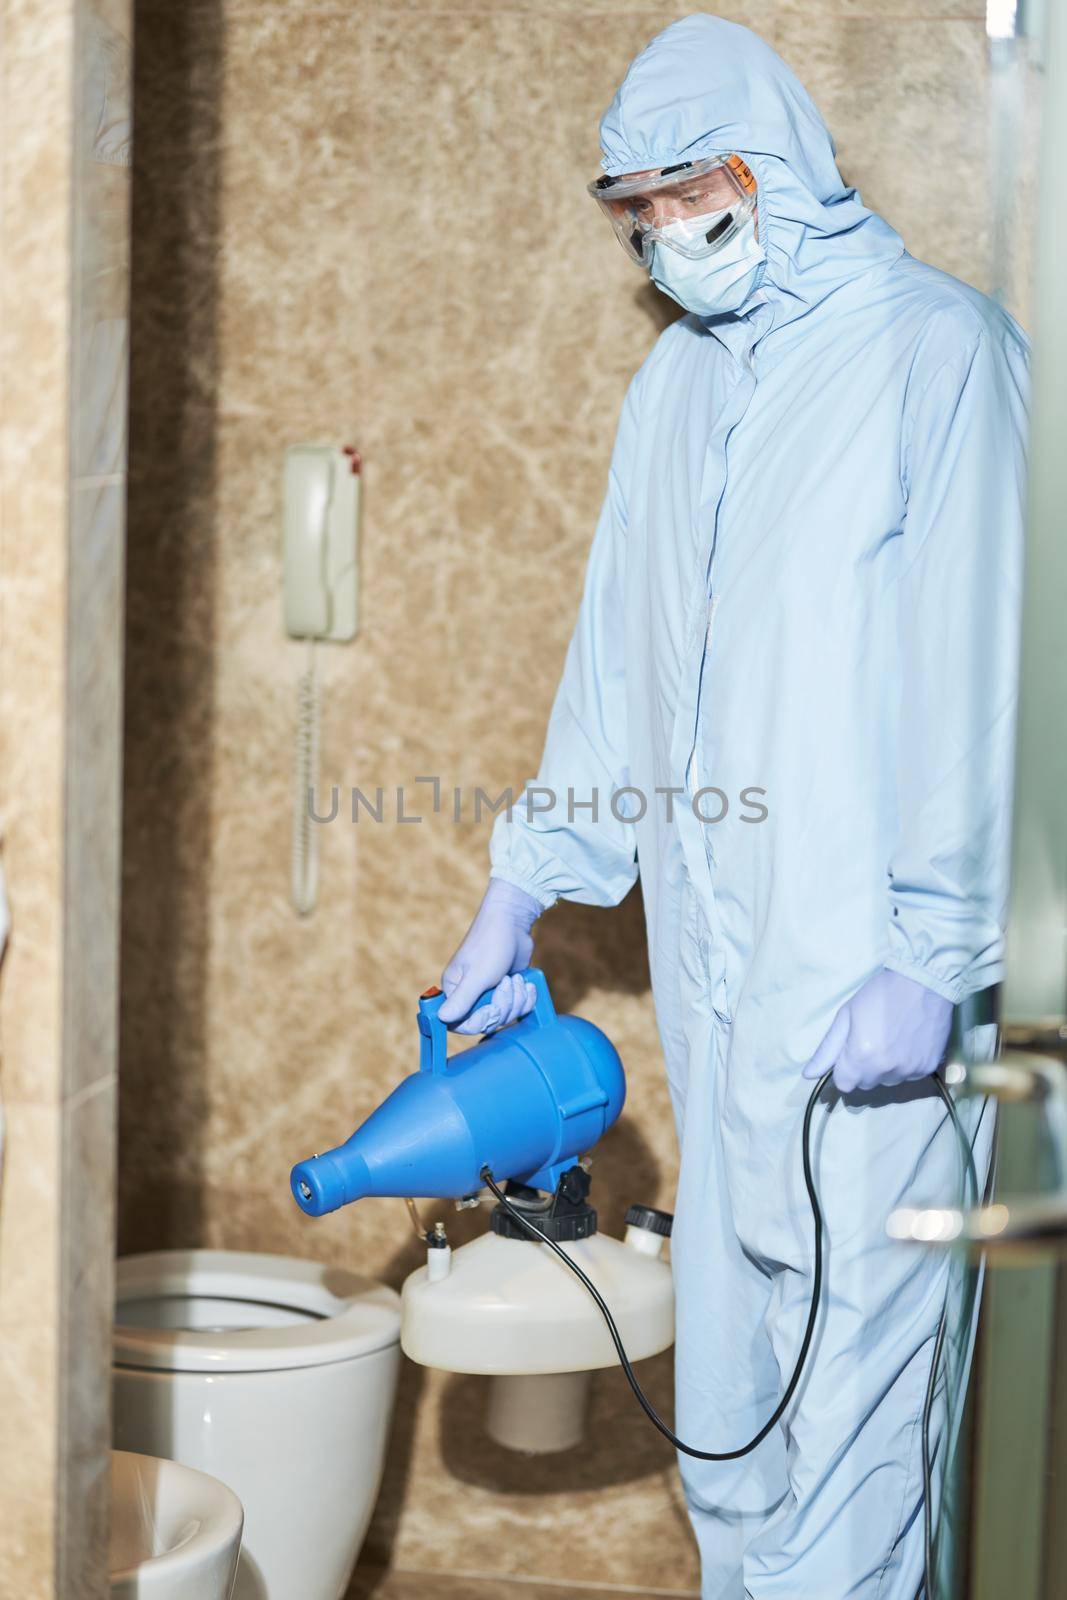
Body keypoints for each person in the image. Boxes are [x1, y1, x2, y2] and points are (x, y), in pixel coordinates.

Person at [439, 15, 1028, 1597]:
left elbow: (992, 670)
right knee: (738, 1447)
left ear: (774, 170)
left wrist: (936, 945)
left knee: (857, 1472)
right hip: (722, 1013)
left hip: (876, 1021)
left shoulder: (938, 352)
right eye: (629, 204)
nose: (658, 231)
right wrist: (521, 890)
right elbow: (615, 676)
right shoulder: (675, 392)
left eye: (682, 190)